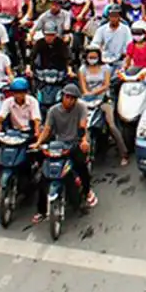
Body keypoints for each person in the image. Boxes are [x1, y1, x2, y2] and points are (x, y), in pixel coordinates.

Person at [32, 83, 96, 221]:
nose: (70, 100)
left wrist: (84, 141)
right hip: (59, 144)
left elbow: (82, 127)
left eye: (73, 98)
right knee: (43, 176)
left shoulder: (81, 107)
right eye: (67, 97)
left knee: (81, 165)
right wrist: (38, 143)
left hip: (76, 141)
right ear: (62, 97)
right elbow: (47, 130)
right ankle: (41, 210)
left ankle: (87, 192)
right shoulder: (53, 111)